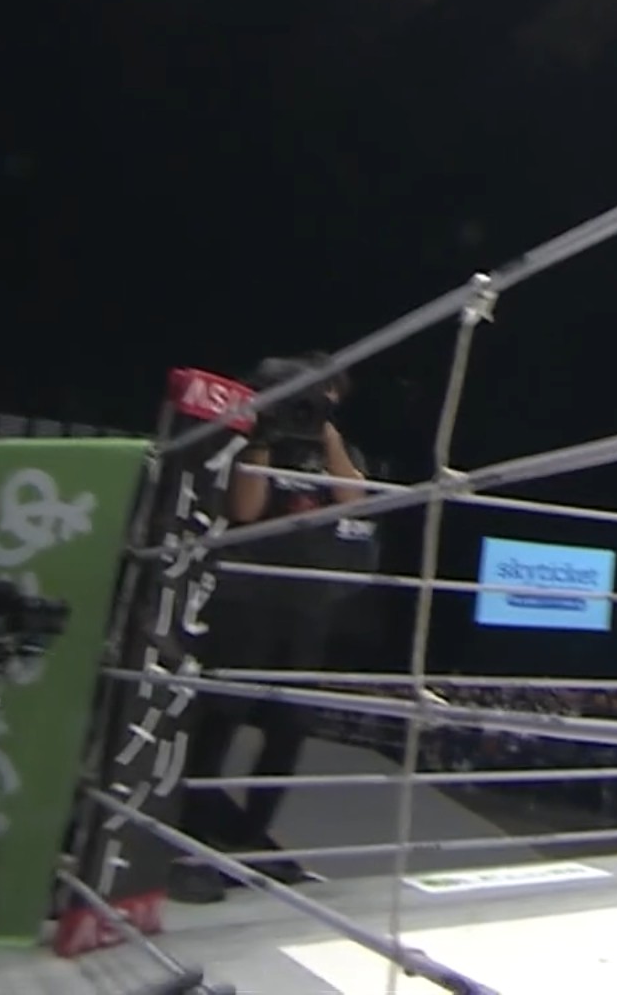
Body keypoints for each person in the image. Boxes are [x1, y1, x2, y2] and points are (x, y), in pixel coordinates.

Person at [174, 352, 375, 902]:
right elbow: (245, 509)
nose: (316, 403)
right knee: (219, 720)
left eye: (328, 396)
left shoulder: (337, 447)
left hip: (306, 606)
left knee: (289, 729)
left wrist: (326, 435)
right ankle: (192, 840)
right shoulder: (253, 441)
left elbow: (353, 502)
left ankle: (249, 839)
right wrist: (263, 437)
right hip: (244, 600)